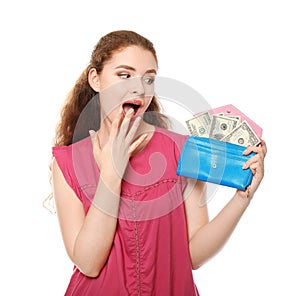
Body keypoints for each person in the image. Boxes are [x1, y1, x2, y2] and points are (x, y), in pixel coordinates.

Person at [51, 30, 267, 295]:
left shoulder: (181, 150)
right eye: (124, 75)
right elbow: (88, 263)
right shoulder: (68, 161)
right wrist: (112, 172)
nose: (138, 88)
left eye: (149, 78)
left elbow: (194, 255)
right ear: (95, 79)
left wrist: (242, 198)